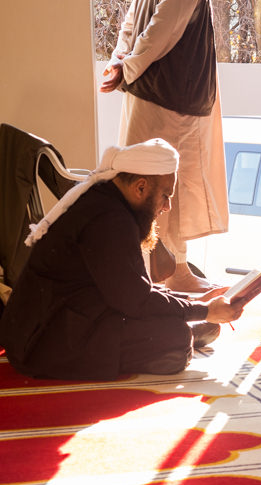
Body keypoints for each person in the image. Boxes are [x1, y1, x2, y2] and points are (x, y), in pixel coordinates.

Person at [0, 139, 244, 381]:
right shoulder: (109, 220)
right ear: (140, 187)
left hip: (62, 319)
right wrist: (202, 310)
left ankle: (189, 325)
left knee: (195, 323)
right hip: (42, 342)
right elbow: (135, 301)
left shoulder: (106, 201)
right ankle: (186, 333)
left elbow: (130, 288)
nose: (167, 206)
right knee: (176, 339)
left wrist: (196, 303)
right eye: (165, 196)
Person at [99, 0, 228, 293]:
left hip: (160, 91)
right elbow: (155, 25)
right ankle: (163, 274)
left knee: (158, 186)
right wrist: (123, 60)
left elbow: (157, 24)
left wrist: (123, 62)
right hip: (165, 95)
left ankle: (170, 271)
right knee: (161, 186)